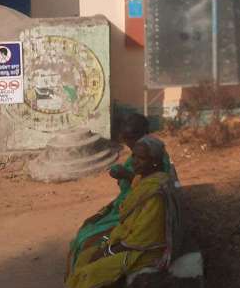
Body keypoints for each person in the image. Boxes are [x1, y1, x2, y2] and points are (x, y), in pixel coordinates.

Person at [64, 136, 179, 288]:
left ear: (155, 162)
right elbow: (132, 216)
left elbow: (145, 238)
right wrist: (107, 245)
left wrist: (108, 250)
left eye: (141, 158)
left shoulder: (155, 192)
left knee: (94, 271)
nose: (134, 161)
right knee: (86, 254)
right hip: (129, 239)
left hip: (146, 252)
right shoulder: (146, 180)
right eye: (134, 156)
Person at [66, 114, 178, 276]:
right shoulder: (139, 153)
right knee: (86, 228)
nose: (128, 143)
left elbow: (152, 186)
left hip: (137, 213)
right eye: (125, 138)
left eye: (132, 137)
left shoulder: (156, 158)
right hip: (125, 205)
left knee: (89, 241)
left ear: (145, 133)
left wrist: (127, 175)